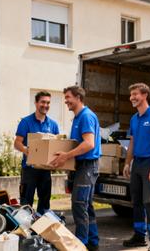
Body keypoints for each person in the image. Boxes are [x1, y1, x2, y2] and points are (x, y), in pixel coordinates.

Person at [51, 85, 101, 251]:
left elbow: (89, 144)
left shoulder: (86, 116)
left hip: (88, 166)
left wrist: (66, 156)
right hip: (82, 166)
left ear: (78, 98)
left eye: (68, 98)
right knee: (87, 205)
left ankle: (81, 244)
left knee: (79, 205)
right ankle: (92, 242)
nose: (66, 101)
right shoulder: (78, 117)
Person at [121, 83, 150, 251]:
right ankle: (139, 236)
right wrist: (127, 163)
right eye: (131, 95)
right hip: (137, 163)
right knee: (137, 202)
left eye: (135, 94)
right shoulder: (134, 119)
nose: (132, 97)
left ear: (145, 95)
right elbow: (132, 143)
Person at [13, 91, 60, 214]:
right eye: (43, 102)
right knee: (26, 203)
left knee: (44, 203)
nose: (45, 105)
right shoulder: (26, 122)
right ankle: (24, 230)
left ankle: (41, 229)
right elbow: (17, 143)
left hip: (45, 170)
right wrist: (27, 151)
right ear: (36, 103)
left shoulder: (53, 125)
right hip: (29, 169)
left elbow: (56, 146)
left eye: (48, 102)